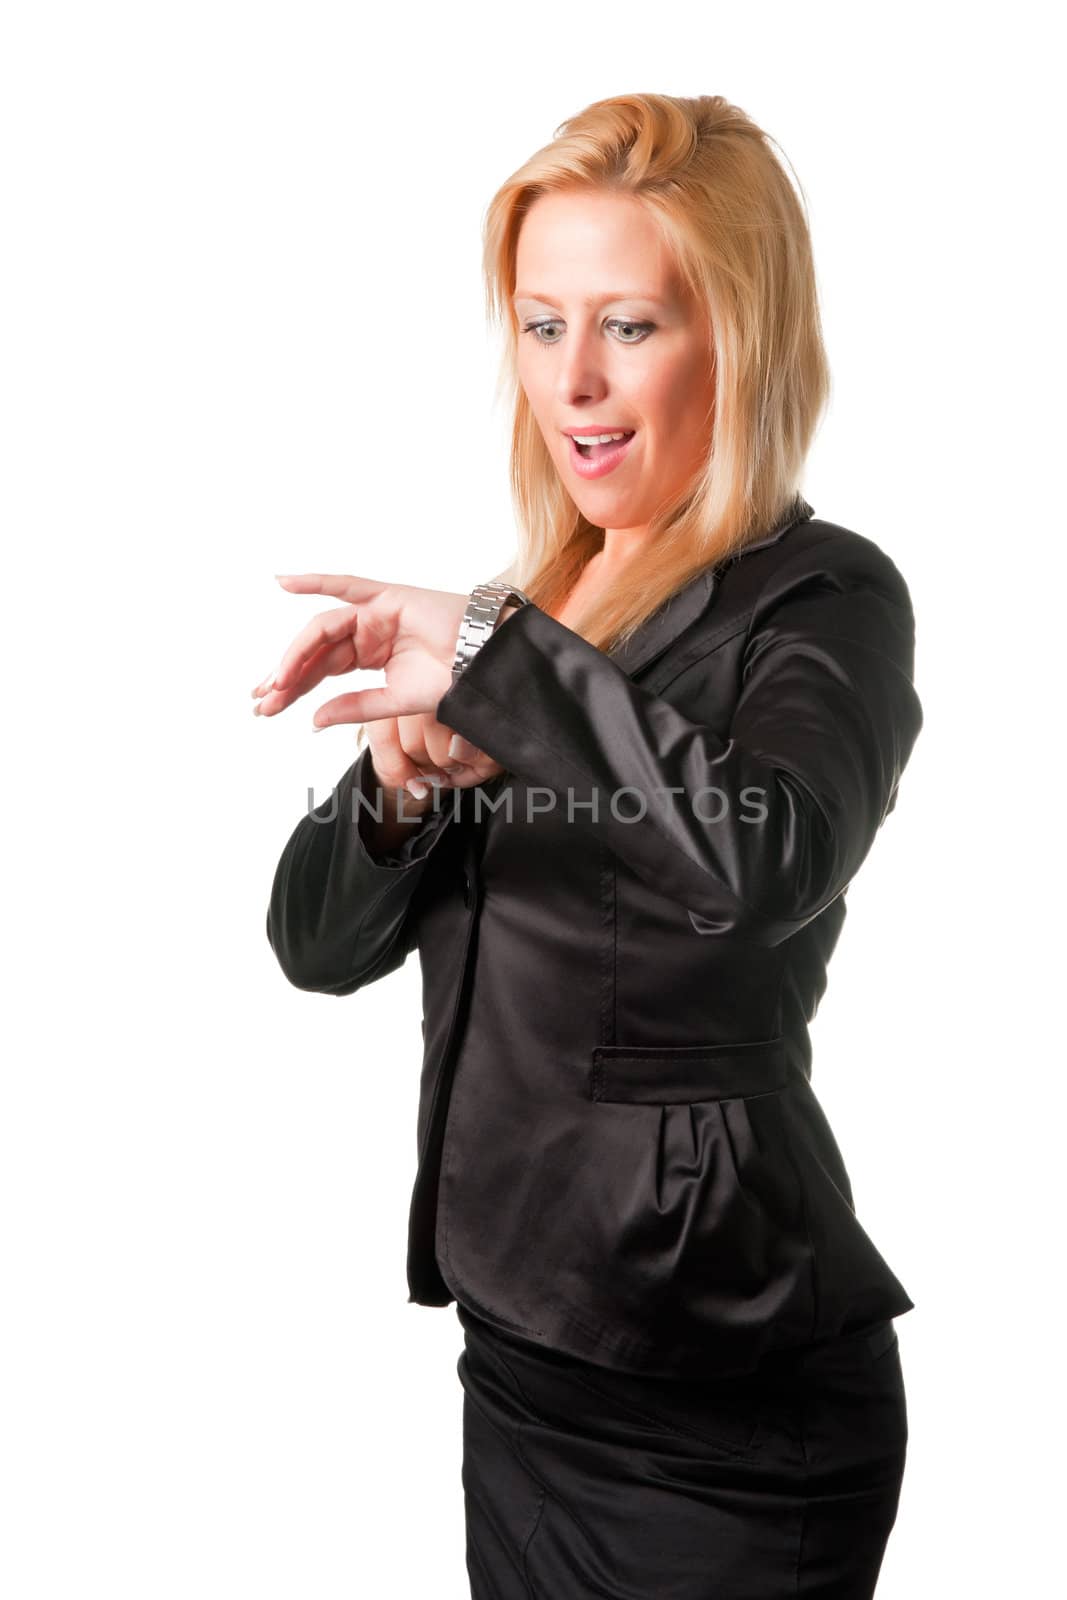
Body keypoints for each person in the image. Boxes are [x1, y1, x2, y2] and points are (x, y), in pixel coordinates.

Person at [255, 92, 922, 1600]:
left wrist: (505, 667)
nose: (577, 382)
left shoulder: (821, 605)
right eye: (542, 326)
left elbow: (765, 865)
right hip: (527, 1363)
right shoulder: (537, 611)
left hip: (725, 1411)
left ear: (736, 340)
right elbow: (312, 948)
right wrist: (401, 785)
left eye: (628, 323)